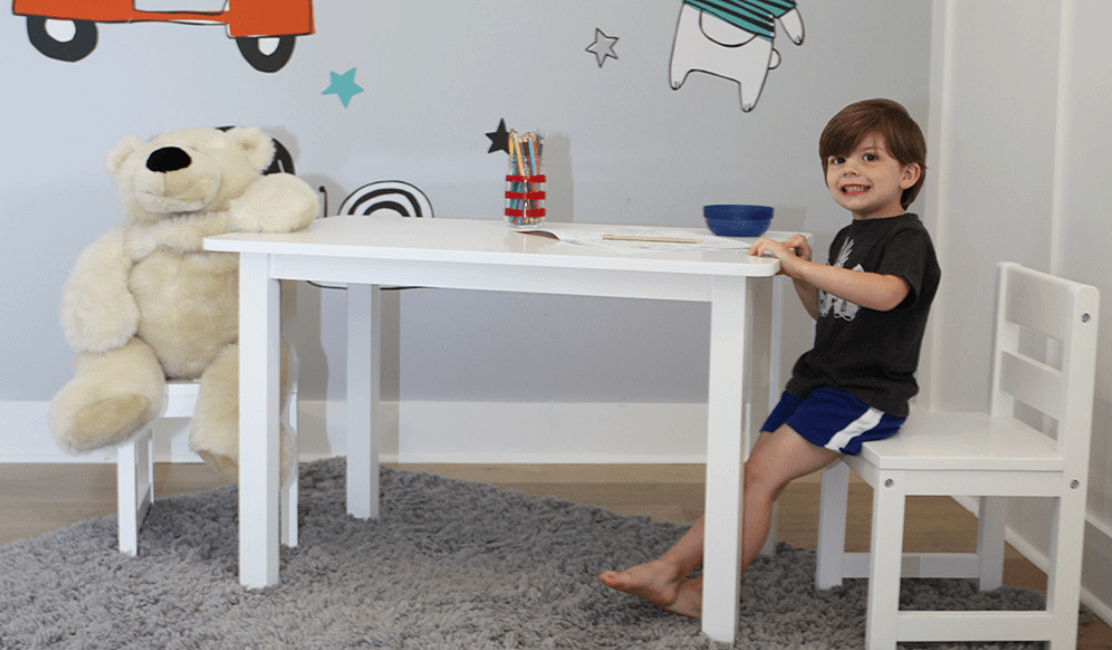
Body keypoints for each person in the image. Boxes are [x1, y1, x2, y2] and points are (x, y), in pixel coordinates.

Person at [598, 98, 941, 618]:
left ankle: (704, 593)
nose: (849, 169)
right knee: (749, 476)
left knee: (759, 478)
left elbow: (887, 294)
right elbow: (831, 310)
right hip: (819, 382)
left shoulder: (907, 237)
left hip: (864, 394)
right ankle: (670, 570)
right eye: (837, 159)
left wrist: (803, 269)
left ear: (908, 173)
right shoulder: (851, 234)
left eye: (870, 158)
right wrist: (803, 270)